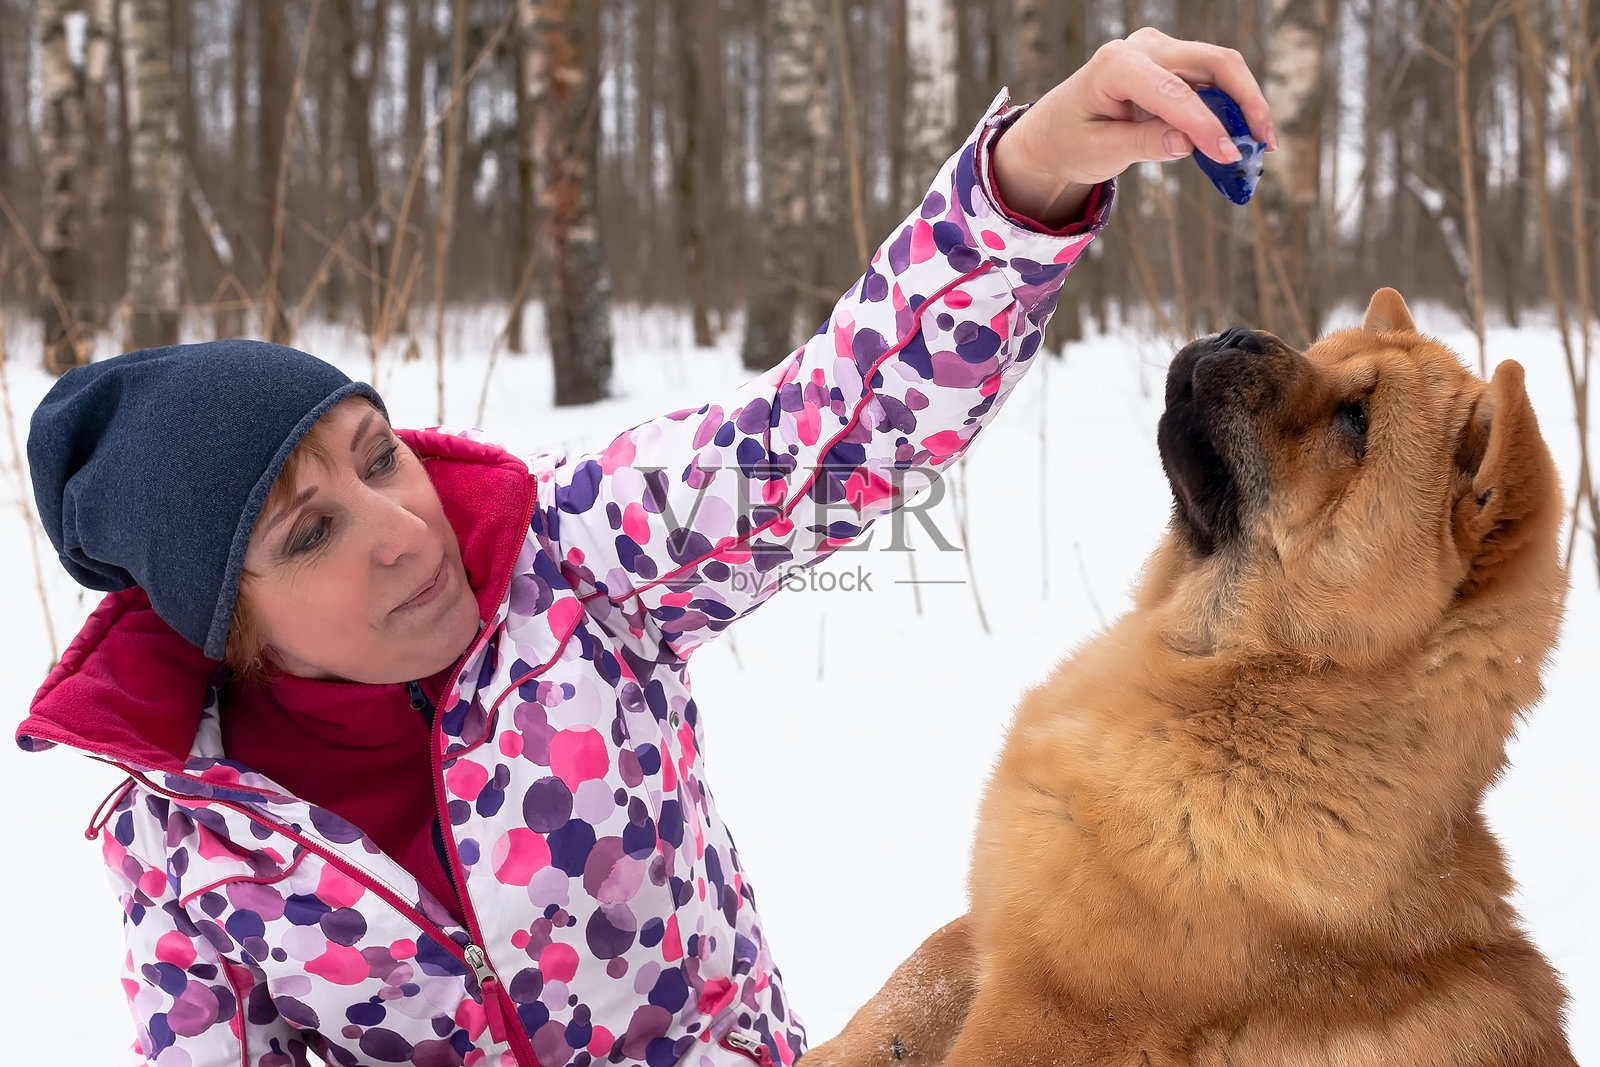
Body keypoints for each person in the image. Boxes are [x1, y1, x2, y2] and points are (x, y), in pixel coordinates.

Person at [17, 28, 1273, 1067]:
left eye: (379, 451)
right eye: (313, 530)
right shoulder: (188, 842)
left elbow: (837, 425)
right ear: (227, 628)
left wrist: (1030, 174)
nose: (404, 529)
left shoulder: (574, 561)